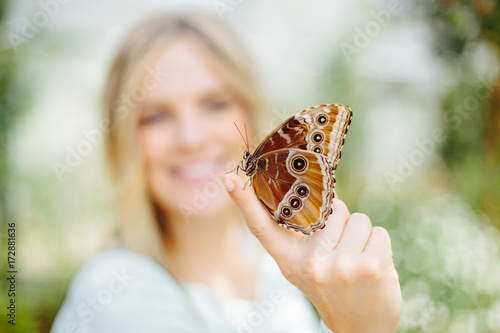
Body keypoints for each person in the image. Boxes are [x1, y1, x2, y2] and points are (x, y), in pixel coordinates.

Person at [51, 11, 402, 333]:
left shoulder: (274, 270)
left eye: (215, 104)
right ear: (123, 138)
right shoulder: (116, 292)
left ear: (250, 113)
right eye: (156, 115)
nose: (191, 138)